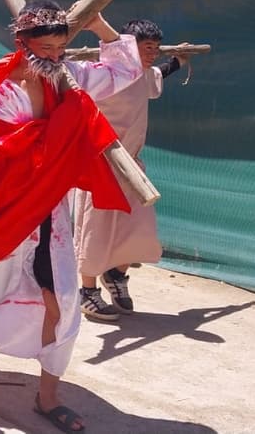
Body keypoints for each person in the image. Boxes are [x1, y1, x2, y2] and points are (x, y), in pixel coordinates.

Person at [0, 0, 143, 434]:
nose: (54, 58)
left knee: (62, 301)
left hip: (49, 215)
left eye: (61, 49)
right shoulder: (0, 86)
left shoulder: (70, 79)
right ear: (22, 43)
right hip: (2, 212)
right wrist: (66, 128)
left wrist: (100, 26)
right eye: (45, 48)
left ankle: (48, 397)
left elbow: (124, 71)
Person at [72, 18, 189, 320]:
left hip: (132, 166)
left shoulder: (144, 73)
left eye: (155, 48)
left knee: (137, 230)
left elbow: (155, 76)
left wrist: (176, 61)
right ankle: (87, 292)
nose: (152, 53)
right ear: (126, 47)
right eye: (146, 47)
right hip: (101, 163)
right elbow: (117, 53)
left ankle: (115, 276)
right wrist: (98, 25)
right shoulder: (107, 75)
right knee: (95, 231)